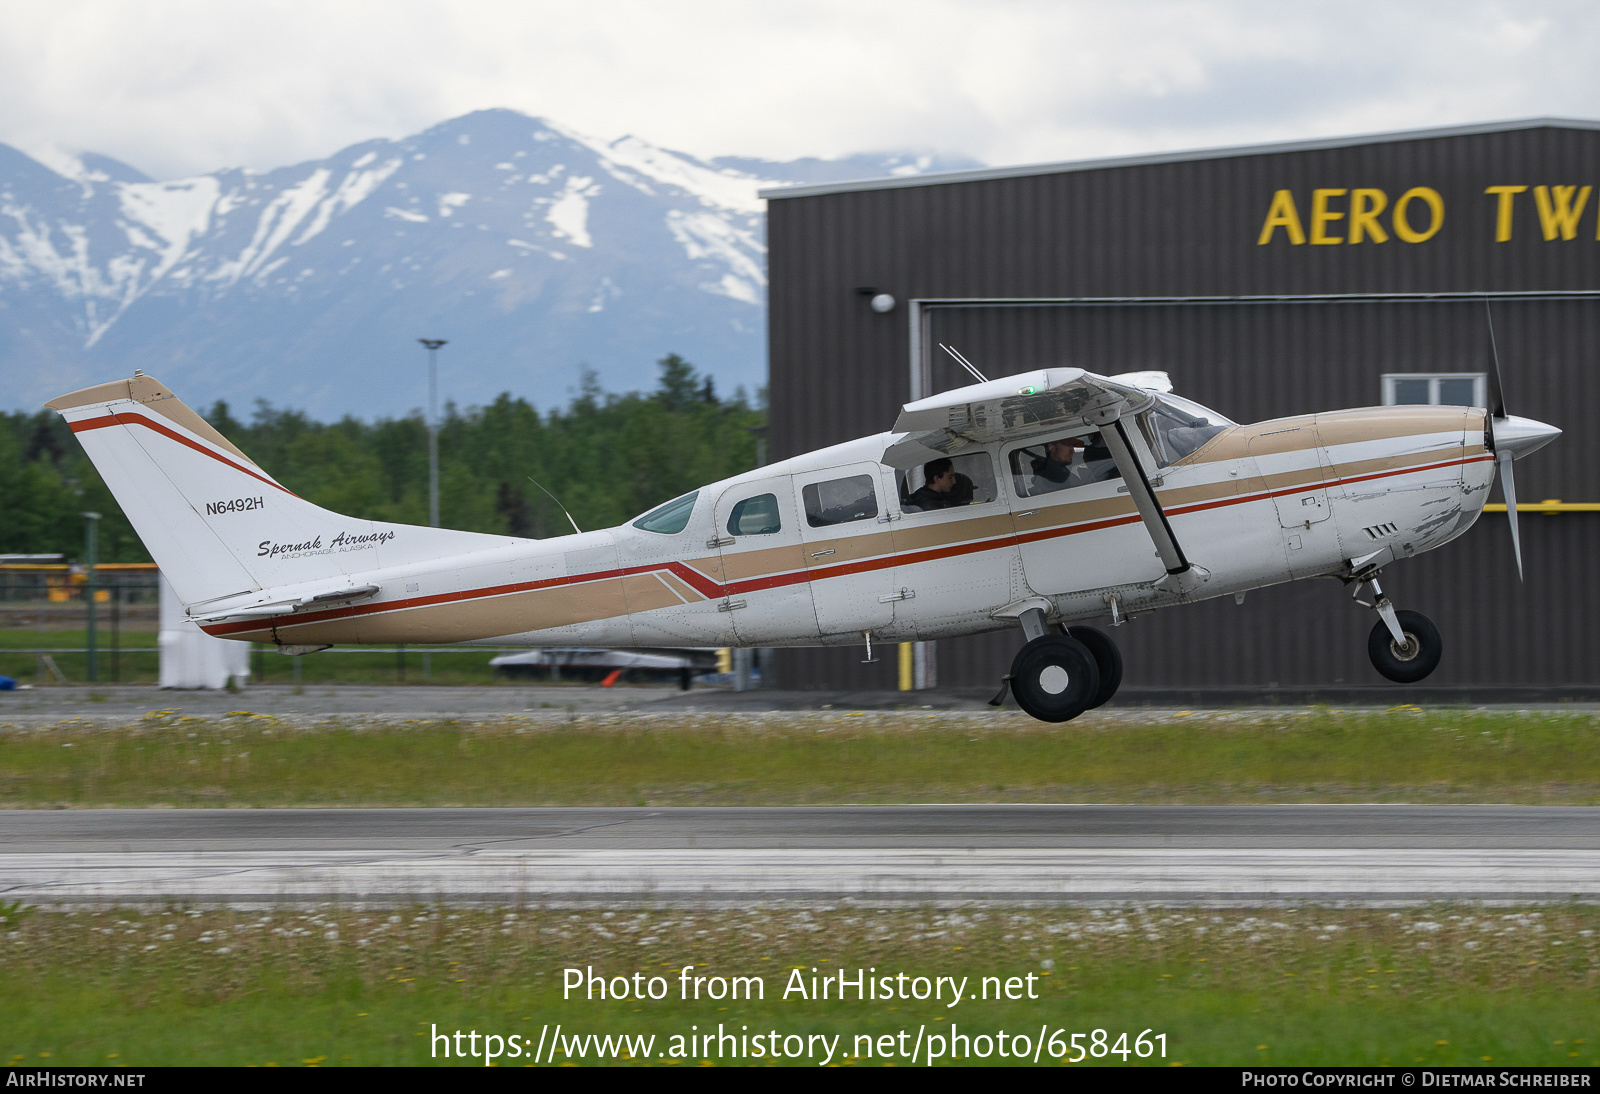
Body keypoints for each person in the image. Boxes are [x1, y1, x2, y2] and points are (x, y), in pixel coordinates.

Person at [906, 457, 973, 510]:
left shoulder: (924, 496)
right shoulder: (929, 505)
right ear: (937, 479)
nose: (954, 481)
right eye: (950, 477)